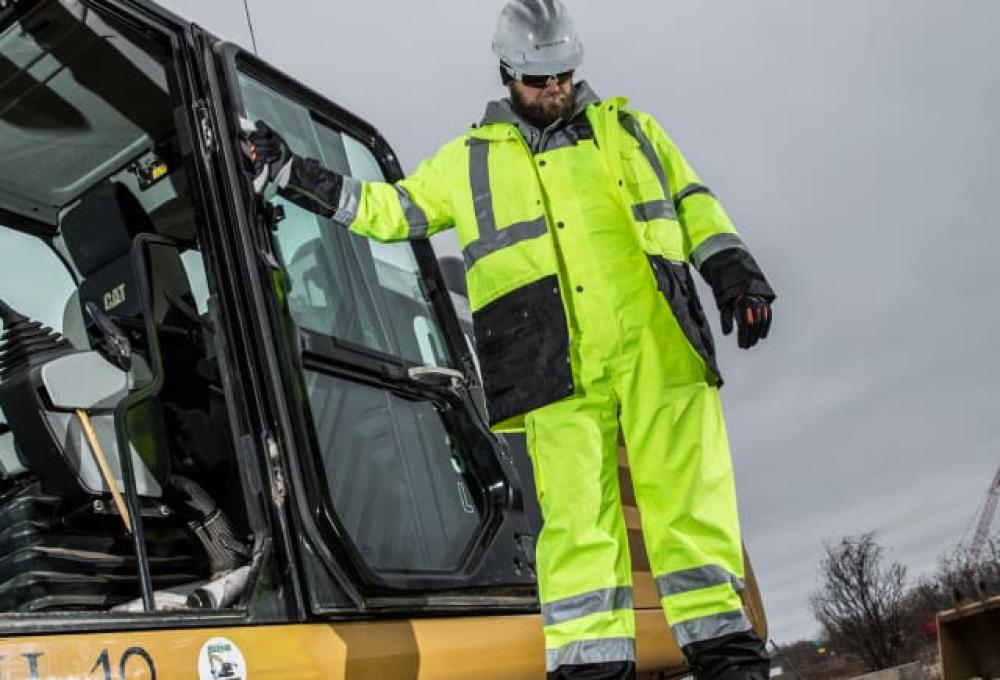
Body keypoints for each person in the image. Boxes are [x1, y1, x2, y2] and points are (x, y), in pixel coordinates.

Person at [243, 2, 776, 678]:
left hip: (657, 345)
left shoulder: (630, 130)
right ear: (508, 75)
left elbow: (693, 200)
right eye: (538, 79)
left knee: (690, 508)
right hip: (551, 368)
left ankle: (730, 658)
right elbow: (393, 210)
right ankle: (590, 668)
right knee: (578, 532)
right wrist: (296, 173)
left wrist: (735, 274)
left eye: (563, 75)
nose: (554, 89)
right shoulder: (468, 160)